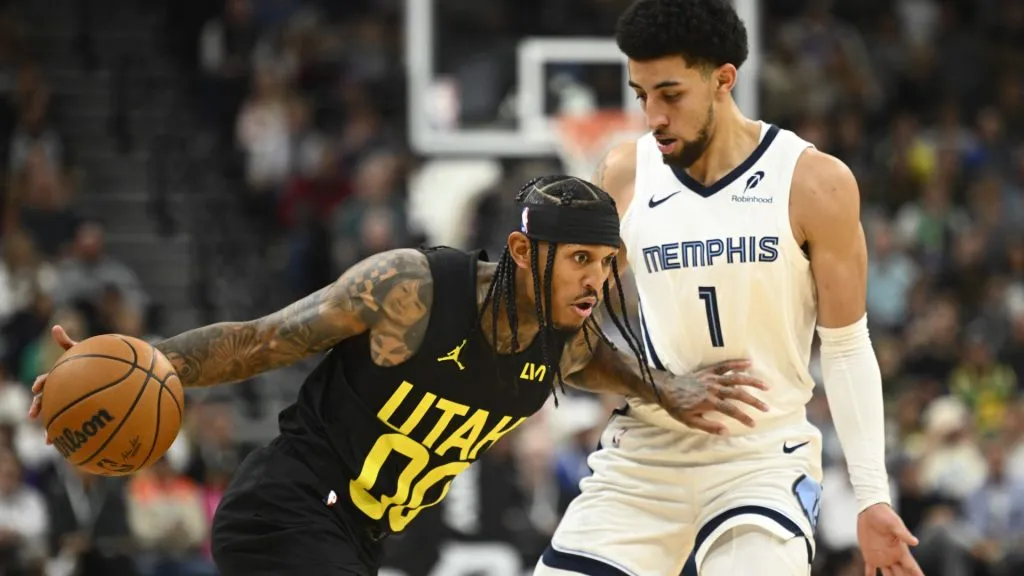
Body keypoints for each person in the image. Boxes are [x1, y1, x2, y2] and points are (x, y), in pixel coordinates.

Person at [30, 175, 768, 576]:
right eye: (580, 259)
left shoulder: (563, 345)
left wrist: (661, 384)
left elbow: (598, 361)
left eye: (605, 265)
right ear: (521, 249)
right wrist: (155, 359)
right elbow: (260, 342)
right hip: (287, 511)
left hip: (361, 540)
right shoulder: (410, 292)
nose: (594, 281)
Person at [534, 2, 924, 576]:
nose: (654, 116)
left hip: (762, 457)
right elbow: (563, 326)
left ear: (723, 79)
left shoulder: (813, 182)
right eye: (641, 96)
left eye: (671, 94)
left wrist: (872, 494)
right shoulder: (623, 174)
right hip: (646, 452)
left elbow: (845, 346)